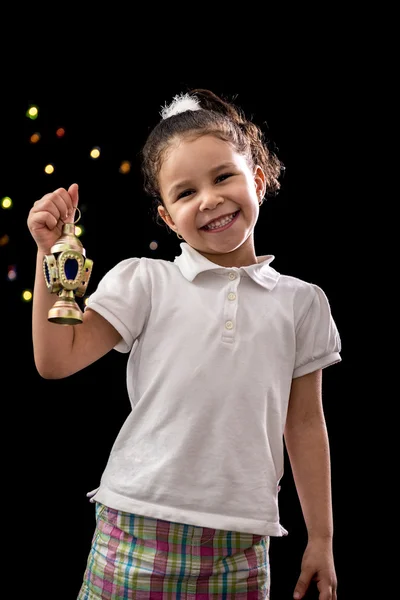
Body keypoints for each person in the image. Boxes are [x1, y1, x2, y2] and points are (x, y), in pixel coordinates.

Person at [27, 88, 341, 600]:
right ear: (169, 218)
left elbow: (304, 423)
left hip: (241, 546)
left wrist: (321, 538)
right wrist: (54, 254)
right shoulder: (145, 282)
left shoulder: (302, 303)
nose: (210, 199)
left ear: (257, 182)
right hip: (135, 527)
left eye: (223, 177)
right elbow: (56, 360)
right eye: (185, 192)